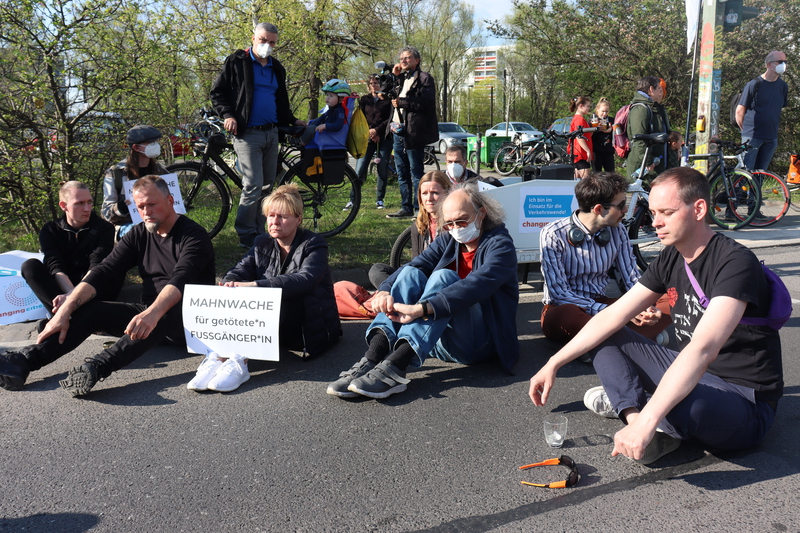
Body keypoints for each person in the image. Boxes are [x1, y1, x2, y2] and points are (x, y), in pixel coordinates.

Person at [528, 167, 782, 465]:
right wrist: (553, 363)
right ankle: (636, 416)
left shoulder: (734, 262)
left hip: (744, 399)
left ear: (698, 208)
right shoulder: (672, 254)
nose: (656, 222)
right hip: (694, 374)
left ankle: (648, 412)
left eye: (667, 212)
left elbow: (703, 349)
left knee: (687, 408)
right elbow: (611, 316)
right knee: (604, 331)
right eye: (652, 212)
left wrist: (652, 416)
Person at [0, 176, 216, 396]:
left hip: (189, 322)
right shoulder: (140, 233)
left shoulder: (193, 236)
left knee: (163, 311)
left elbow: (180, 280)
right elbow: (105, 271)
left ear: (170, 201)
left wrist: (152, 314)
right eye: (141, 206)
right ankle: (23, 361)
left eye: (152, 204)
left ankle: (96, 368)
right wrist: (65, 310)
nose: (146, 211)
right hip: (148, 318)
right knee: (91, 312)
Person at [328, 184, 519, 400]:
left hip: (481, 345)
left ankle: (396, 365)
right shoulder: (449, 240)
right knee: (410, 273)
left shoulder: (501, 246)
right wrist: (384, 291)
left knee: (444, 277)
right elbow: (415, 265)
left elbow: (476, 285)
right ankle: (372, 358)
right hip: (438, 341)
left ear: (481, 213)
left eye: (462, 220)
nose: (456, 228)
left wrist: (422, 309)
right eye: (449, 224)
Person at [188, 184, 342, 392]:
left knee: (278, 296)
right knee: (235, 292)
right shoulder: (262, 242)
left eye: (282, 217)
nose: (275, 222)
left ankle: (240, 362)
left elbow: (306, 279)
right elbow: (240, 269)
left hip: (308, 325)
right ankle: (219, 354)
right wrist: (230, 282)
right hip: (273, 326)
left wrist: (255, 286)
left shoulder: (314, 243)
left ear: (298, 219)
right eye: (270, 216)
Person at [539, 172, 671, 347]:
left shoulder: (619, 230)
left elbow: (632, 277)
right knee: (569, 314)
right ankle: (638, 338)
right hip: (567, 309)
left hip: (604, 304)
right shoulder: (553, 234)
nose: (625, 209)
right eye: (621, 205)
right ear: (599, 209)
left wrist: (642, 307)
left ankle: (596, 346)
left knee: (671, 297)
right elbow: (559, 294)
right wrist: (616, 314)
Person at [210, 22, 307, 248]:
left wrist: (292, 120)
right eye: (263, 40)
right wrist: (228, 115)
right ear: (253, 38)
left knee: (266, 186)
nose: (267, 45)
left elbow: (281, 101)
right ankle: (246, 234)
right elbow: (218, 93)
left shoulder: (276, 67)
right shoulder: (237, 62)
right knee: (253, 184)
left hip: (271, 133)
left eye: (272, 42)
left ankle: (260, 232)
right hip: (246, 134)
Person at [22, 181, 119, 314]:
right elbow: (55, 266)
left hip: (94, 288)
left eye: (89, 202)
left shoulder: (105, 228)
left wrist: (73, 298)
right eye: (79, 203)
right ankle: (71, 315)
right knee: (29, 266)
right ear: (63, 205)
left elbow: (97, 264)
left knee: (112, 268)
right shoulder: (50, 230)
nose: (87, 208)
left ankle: (67, 316)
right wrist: (70, 297)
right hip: (63, 290)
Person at [368, 171, 452, 289]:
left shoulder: (455, 224)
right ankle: (395, 296)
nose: (429, 198)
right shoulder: (418, 225)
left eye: (435, 193)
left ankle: (400, 298)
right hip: (420, 277)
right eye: (424, 193)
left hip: (442, 280)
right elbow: (416, 261)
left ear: (448, 194)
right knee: (377, 270)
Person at [385, 46, 438, 219]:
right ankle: (405, 206)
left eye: (407, 58)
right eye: (401, 58)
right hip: (397, 131)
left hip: (414, 133)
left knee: (416, 172)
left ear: (417, 60)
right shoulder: (399, 78)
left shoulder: (425, 78)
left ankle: (418, 209)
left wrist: (403, 102)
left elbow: (427, 103)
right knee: (401, 172)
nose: (403, 61)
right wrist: (394, 76)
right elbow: (384, 93)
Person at [102, 125, 168, 239]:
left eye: (156, 142)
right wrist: (121, 208)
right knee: (140, 233)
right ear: (136, 147)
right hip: (127, 228)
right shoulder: (115, 173)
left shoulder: (162, 172)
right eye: (150, 143)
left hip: (158, 224)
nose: (156, 145)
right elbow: (106, 214)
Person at [735, 51, 788, 173]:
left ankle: (755, 193)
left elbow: (778, 108)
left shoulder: (783, 86)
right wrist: (746, 132)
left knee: (760, 173)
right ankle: (737, 192)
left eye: (785, 62)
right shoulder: (754, 84)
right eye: (780, 62)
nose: (784, 65)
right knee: (745, 173)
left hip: (771, 137)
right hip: (752, 137)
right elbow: (739, 111)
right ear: (769, 65)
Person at [354, 74, 393, 209]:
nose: (374, 85)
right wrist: (371, 132)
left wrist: (377, 131)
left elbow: (389, 119)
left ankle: (380, 199)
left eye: (376, 83)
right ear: (368, 85)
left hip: (385, 137)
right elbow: (361, 118)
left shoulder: (388, 100)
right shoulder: (365, 100)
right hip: (368, 138)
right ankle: (353, 199)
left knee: (382, 169)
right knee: (359, 169)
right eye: (371, 83)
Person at [627, 76, 670, 183]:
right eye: (659, 90)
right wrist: (648, 162)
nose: (661, 93)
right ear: (651, 89)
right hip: (645, 167)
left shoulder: (654, 107)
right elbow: (638, 138)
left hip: (655, 164)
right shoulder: (640, 109)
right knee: (640, 197)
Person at [301, 79, 351, 148]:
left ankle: (301, 141)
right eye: (327, 95)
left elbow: (338, 126)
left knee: (312, 128)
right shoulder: (332, 109)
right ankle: (302, 138)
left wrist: (325, 126)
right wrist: (313, 124)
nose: (327, 98)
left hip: (332, 137)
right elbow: (321, 118)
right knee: (311, 125)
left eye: (331, 96)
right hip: (326, 135)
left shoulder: (340, 111)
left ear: (341, 99)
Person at [568, 96, 593, 179]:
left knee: (577, 181)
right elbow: (579, 137)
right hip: (581, 153)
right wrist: (588, 150)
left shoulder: (578, 119)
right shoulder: (579, 119)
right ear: (581, 106)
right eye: (588, 106)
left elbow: (586, 135)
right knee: (586, 181)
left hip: (577, 153)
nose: (589, 109)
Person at [591, 98, 615, 172]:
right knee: (597, 173)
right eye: (603, 111)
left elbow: (617, 132)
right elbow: (589, 135)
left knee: (611, 173)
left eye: (606, 111)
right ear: (597, 109)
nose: (604, 114)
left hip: (608, 151)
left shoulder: (611, 120)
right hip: (596, 151)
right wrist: (596, 128)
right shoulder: (593, 120)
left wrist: (612, 130)